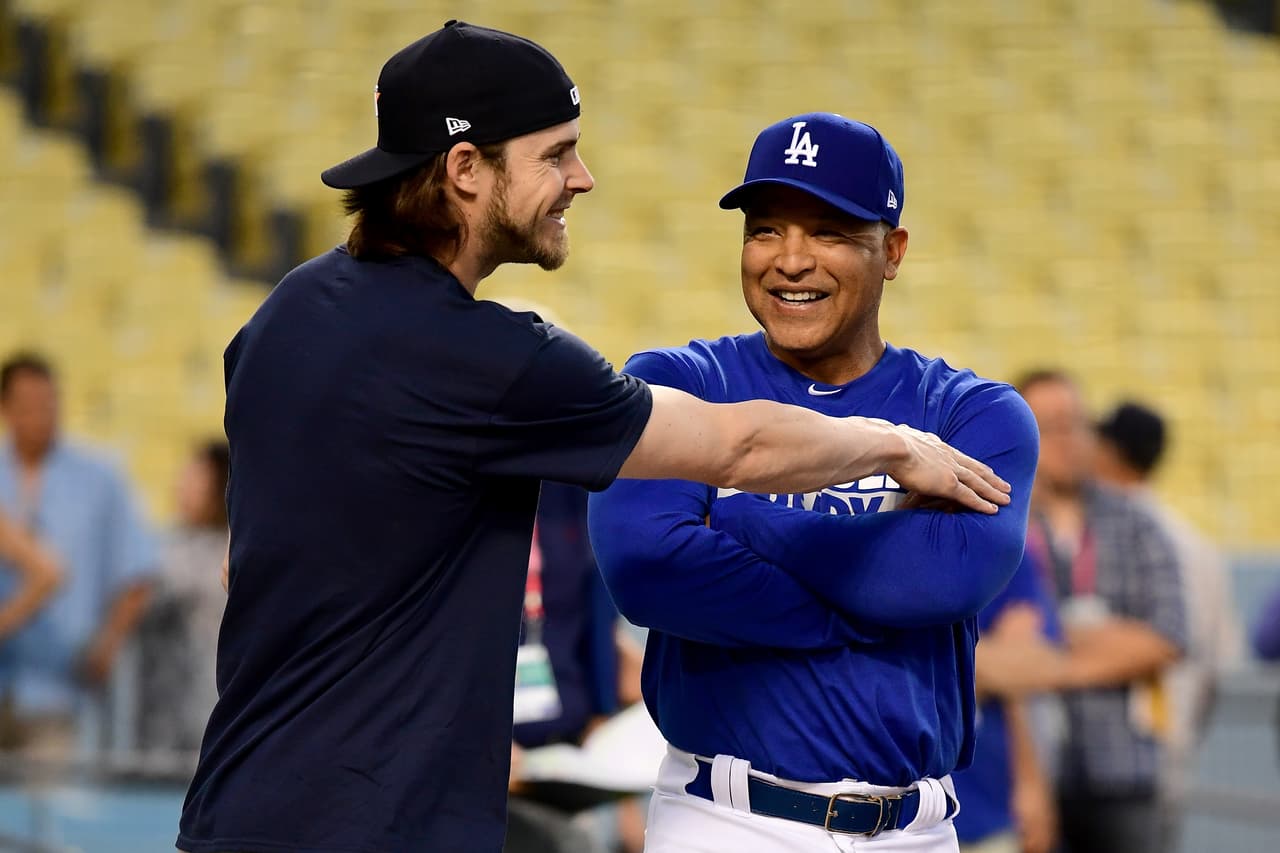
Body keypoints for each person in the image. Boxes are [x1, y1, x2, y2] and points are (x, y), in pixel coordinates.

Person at [174, 25, 1011, 853]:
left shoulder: (285, 314)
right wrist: (894, 447)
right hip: (377, 821)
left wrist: (745, 529)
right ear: (465, 169)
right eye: (555, 154)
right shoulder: (488, 358)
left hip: (243, 799)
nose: (581, 178)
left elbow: (244, 561)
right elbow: (737, 452)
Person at [589, 113, 1040, 853]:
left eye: (828, 232)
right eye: (765, 230)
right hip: (725, 820)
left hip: (916, 830)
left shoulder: (971, 413)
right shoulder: (678, 382)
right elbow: (649, 573)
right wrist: (867, 604)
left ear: (892, 251)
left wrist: (742, 521)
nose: (789, 261)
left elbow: (939, 579)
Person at [1008, 370, 1187, 853]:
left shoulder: (1137, 523)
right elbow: (991, 644)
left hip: (1123, 770)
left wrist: (1046, 662)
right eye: (1052, 427)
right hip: (1026, 778)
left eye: (1077, 424)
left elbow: (1167, 638)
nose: (1069, 440)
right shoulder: (1000, 523)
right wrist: (1106, 643)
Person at [1094, 400, 1243, 848]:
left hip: (1104, 750)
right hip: (1175, 739)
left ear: (1109, 452)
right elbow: (1223, 663)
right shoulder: (1199, 545)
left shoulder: (1101, 537)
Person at [0, 352, 156, 760]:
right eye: (28, 405)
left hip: (58, 690)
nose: (41, 416)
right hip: (6, 674)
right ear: (6, 408)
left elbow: (137, 571)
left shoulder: (99, 478)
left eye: (48, 403)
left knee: (53, 796)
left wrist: (107, 646)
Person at [953, 552, 1061, 853]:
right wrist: (995, 656)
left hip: (995, 807)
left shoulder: (1003, 550)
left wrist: (1031, 781)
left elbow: (1041, 665)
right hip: (892, 811)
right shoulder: (874, 543)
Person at [136, 440, 231, 755]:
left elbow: (147, 591)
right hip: (164, 712)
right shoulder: (172, 541)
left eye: (196, 478)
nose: (182, 485)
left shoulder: (225, 550)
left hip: (207, 704)